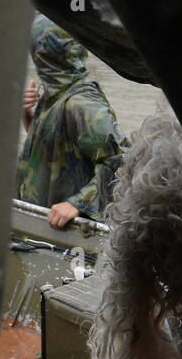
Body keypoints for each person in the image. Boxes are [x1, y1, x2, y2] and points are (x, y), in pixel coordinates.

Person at [17, 15, 128, 228]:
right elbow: (55, 149)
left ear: (42, 54)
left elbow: (121, 161)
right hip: (38, 223)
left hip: (67, 232)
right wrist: (26, 113)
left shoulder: (82, 103)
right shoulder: (54, 94)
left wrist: (77, 203)